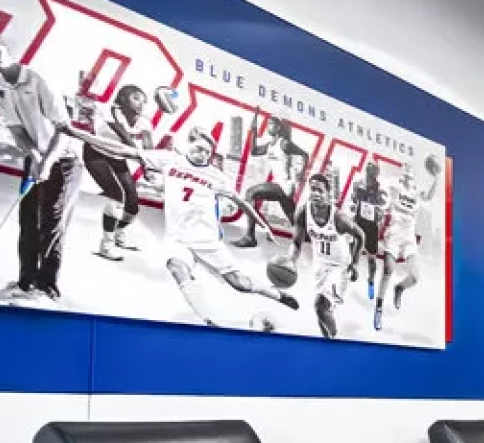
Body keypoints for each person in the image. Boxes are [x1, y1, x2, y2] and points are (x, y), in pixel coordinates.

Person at [0, 29, 84, 304]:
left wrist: (47, 161)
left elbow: (64, 129)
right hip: (36, 157)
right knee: (28, 220)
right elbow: (17, 131)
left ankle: (46, 289)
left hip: (65, 159)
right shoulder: (0, 87)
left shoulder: (38, 79)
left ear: (5, 46)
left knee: (51, 222)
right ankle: (26, 283)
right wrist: (34, 156)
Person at [152, 127, 298, 330]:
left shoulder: (216, 176)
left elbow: (242, 203)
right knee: (177, 268)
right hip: (177, 237)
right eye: (199, 148)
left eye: (207, 152)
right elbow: (128, 151)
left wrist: (264, 225)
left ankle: (277, 294)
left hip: (206, 239)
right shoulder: (169, 161)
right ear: (189, 144)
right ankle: (209, 320)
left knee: (240, 284)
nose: (203, 154)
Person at [79, 83, 150, 262]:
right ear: (123, 99)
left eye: (144, 100)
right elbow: (125, 137)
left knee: (133, 205)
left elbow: (149, 148)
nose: (141, 103)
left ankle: (119, 233)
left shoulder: (144, 121)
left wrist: (149, 164)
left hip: (117, 157)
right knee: (117, 196)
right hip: (96, 153)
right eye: (136, 98)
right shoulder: (108, 110)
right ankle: (106, 245)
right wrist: (142, 157)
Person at [291, 171, 364, 339]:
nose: (316, 193)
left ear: (328, 193)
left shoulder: (338, 217)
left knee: (320, 306)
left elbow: (360, 235)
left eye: (320, 190)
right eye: (313, 189)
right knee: (320, 313)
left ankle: (335, 340)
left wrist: (355, 263)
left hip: (340, 267)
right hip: (319, 265)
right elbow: (296, 243)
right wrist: (290, 261)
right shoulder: (303, 212)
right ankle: (327, 341)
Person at [372, 160, 434, 332]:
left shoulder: (417, 191)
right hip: (394, 232)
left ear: (414, 174)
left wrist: (436, 178)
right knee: (388, 270)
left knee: (415, 277)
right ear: (402, 171)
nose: (408, 171)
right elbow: (380, 183)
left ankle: (399, 288)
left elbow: (428, 197)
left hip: (408, 236)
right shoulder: (394, 184)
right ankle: (378, 308)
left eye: (410, 168)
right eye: (405, 167)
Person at [236, 116, 306, 248]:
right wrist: (254, 132)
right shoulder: (269, 146)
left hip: (284, 186)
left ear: (279, 127)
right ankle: (309, 237)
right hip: (278, 184)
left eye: (272, 124)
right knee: (295, 220)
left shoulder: (284, 143)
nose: (269, 127)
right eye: (268, 124)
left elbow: (304, 154)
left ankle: (250, 237)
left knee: (250, 193)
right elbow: (254, 151)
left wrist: (301, 174)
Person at [346, 159, 386, 297]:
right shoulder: (357, 184)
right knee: (352, 251)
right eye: (369, 170)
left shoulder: (380, 189)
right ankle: (350, 272)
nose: (371, 173)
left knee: (371, 259)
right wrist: (354, 206)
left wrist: (379, 213)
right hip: (359, 223)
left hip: (372, 227)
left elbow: (382, 208)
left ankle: (371, 281)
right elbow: (353, 201)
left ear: (377, 174)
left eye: (374, 171)